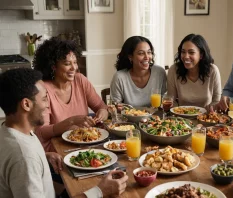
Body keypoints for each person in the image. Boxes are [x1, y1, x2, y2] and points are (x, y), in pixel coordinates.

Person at [0, 68, 128, 198]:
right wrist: (100, 191)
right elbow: (25, 161)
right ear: (26, 104)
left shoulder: (10, 132)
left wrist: (44, 157)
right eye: (44, 99)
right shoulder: (24, 158)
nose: (47, 106)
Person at [33, 37, 108, 152]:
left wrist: (102, 113)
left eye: (75, 62)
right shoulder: (43, 89)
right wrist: (70, 122)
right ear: (53, 66)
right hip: (57, 150)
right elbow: (41, 132)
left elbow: (101, 107)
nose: (74, 68)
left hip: (83, 145)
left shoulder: (80, 80)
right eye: (67, 63)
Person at [167, 34, 221, 108]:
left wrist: (204, 114)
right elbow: (171, 100)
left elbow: (216, 101)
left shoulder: (213, 71)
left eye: (191, 52)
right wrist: (179, 112)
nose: (186, 56)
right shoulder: (173, 70)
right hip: (180, 117)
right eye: (183, 52)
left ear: (201, 55)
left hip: (206, 117)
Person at [110, 36, 167, 107]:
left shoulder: (159, 72)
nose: (147, 57)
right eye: (141, 53)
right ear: (130, 56)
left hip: (157, 117)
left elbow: (165, 101)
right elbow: (115, 107)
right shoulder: (119, 77)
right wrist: (118, 107)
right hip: (129, 117)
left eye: (149, 52)